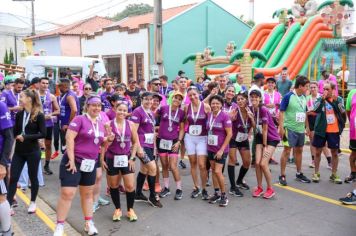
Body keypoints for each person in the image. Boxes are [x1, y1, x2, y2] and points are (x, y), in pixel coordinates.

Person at [53, 95, 107, 236]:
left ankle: (89, 223)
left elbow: (99, 142)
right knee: (67, 193)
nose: (96, 108)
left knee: (87, 194)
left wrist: (108, 139)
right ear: (87, 106)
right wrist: (71, 159)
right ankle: (59, 225)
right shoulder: (79, 119)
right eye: (93, 105)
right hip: (74, 161)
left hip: (90, 163)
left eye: (99, 105)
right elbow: (69, 138)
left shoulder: (101, 124)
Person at [7, 89, 46, 214]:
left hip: (33, 152)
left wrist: (26, 136)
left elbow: (43, 133)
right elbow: (15, 132)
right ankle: (9, 204)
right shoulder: (19, 114)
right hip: (19, 152)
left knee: (33, 178)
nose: (20, 98)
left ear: (29, 99)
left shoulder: (39, 115)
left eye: (22, 96)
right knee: (13, 178)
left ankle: (33, 202)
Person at [103, 102, 139, 221]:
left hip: (126, 158)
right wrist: (102, 159)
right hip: (112, 158)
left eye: (124, 110)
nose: (122, 112)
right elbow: (104, 144)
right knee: (113, 185)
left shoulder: (131, 124)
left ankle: (130, 210)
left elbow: (135, 143)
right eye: (120, 110)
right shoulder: (108, 124)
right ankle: (117, 209)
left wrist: (133, 158)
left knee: (129, 185)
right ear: (115, 109)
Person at [131, 92, 162, 207]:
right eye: (146, 99)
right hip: (141, 145)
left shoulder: (151, 112)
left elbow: (152, 130)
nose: (149, 101)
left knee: (145, 169)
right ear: (141, 99)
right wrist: (138, 147)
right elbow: (133, 131)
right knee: (153, 168)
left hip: (149, 145)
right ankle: (153, 196)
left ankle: (138, 193)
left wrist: (154, 147)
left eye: (151, 99)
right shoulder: (137, 111)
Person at [278, 75, 311, 186]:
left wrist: (307, 127)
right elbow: (281, 112)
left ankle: (299, 173)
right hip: (289, 128)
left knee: (299, 150)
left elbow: (305, 112)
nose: (308, 88)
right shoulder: (288, 96)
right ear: (300, 86)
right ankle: (282, 175)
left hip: (300, 129)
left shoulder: (304, 97)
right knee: (287, 151)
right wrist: (281, 127)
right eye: (306, 86)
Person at [311, 82, 345, 184]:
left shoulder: (338, 99)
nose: (325, 91)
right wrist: (322, 99)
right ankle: (316, 173)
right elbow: (315, 110)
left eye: (327, 89)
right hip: (321, 130)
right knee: (318, 152)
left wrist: (335, 101)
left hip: (334, 130)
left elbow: (342, 111)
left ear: (333, 90)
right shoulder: (319, 99)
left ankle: (334, 174)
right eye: (324, 89)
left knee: (334, 153)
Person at [250, 90, 280, 198]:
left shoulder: (263, 109)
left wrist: (265, 146)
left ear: (260, 98)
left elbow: (265, 129)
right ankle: (259, 187)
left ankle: (270, 189)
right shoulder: (252, 109)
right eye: (252, 97)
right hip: (259, 136)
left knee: (263, 163)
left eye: (255, 97)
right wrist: (251, 118)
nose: (253, 99)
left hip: (270, 139)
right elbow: (255, 128)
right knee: (257, 163)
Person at [157, 91, 185, 200]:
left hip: (173, 141)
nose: (177, 100)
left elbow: (182, 129)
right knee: (164, 165)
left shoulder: (181, 113)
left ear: (180, 102)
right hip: (161, 140)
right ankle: (166, 188)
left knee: (173, 166)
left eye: (179, 99)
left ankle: (179, 189)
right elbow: (154, 117)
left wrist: (179, 141)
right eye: (175, 98)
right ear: (172, 98)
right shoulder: (163, 108)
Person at [184, 86, 210, 200]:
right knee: (193, 163)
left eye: (194, 94)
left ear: (199, 94)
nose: (193, 97)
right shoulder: (186, 107)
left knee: (202, 165)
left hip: (202, 138)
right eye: (190, 95)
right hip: (190, 137)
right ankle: (196, 187)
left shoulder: (206, 107)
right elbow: (184, 122)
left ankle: (204, 188)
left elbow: (211, 122)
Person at [206, 95, 232, 207]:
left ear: (221, 105)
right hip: (211, 148)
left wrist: (221, 150)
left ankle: (224, 195)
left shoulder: (225, 116)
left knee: (218, 171)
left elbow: (230, 134)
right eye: (213, 103)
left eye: (217, 103)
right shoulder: (209, 115)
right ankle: (216, 193)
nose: (215, 105)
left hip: (221, 149)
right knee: (213, 170)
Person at [228, 91, 254, 197]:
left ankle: (239, 181)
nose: (240, 101)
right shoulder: (234, 111)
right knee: (233, 160)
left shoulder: (251, 110)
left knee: (247, 162)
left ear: (246, 100)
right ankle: (233, 187)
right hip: (233, 138)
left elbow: (254, 126)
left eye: (242, 99)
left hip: (243, 138)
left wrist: (251, 118)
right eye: (238, 99)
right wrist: (230, 119)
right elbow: (227, 123)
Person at [306, 82, 332, 169]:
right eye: (311, 87)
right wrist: (307, 127)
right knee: (312, 141)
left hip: (320, 121)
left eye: (314, 87)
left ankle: (329, 161)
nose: (312, 89)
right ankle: (313, 160)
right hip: (311, 121)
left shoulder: (321, 97)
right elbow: (305, 113)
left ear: (318, 88)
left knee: (323, 143)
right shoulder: (307, 98)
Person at [38, 77, 60, 175]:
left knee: (47, 144)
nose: (45, 85)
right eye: (43, 83)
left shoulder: (51, 96)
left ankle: (46, 165)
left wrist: (50, 115)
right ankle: (35, 164)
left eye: (47, 83)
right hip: (36, 123)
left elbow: (58, 110)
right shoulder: (34, 95)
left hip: (48, 123)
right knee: (36, 144)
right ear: (39, 84)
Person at [0, 101, 14, 236]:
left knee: (1, 198)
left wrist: (3, 164)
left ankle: (7, 230)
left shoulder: (1, 106)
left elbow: (9, 137)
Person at [58, 78, 79, 154]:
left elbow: (74, 110)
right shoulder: (66, 94)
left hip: (68, 126)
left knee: (68, 148)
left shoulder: (69, 96)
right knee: (66, 147)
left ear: (64, 86)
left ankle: (69, 163)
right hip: (64, 125)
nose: (58, 88)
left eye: (59, 86)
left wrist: (68, 123)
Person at [345, 88, 356, 183]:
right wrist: (352, 121)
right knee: (354, 153)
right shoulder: (352, 92)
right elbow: (348, 110)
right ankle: (353, 172)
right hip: (354, 131)